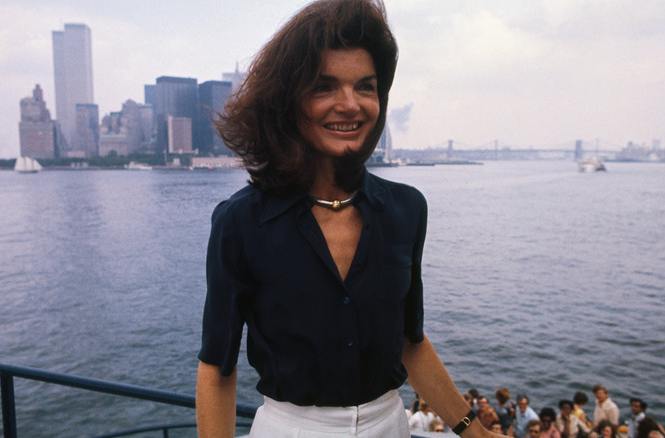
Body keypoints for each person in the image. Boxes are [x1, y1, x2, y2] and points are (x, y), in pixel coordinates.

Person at [195, 1, 510, 437]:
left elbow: (410, 342)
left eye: (365, 86)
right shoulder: (242, 222)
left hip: (390, 425)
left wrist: (474, 431)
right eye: (324, 87)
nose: (350, 105)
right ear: (289, 100)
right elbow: (217, 369)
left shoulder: (406, 209)